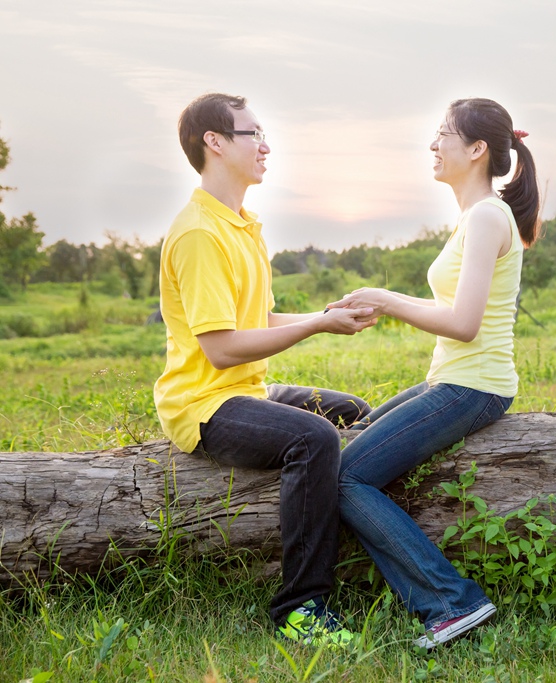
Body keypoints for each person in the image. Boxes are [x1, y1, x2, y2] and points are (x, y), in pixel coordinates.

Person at [154, 92, 377, 648]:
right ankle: (301, 608)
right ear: (215, 142)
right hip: (205, 403)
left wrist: (326, 314)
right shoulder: (201, 234)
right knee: (315, 438)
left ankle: (366, 553)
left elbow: (262, 317)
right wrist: (317, 329)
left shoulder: (242, 224)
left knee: (354, 413)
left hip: (250, 387)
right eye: (252, 134)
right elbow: (222, 348)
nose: (266, 146)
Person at [327, 97, 540, 649]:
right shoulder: (478, 217)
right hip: (452, 380)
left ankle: (451, 602)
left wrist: (388, 299)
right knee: (359, 433)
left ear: (476, 149)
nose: (433, 144)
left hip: (473, 385)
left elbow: (464, 324)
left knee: (347, 475)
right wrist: (382, 300)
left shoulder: (490, 216)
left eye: (443, 134)